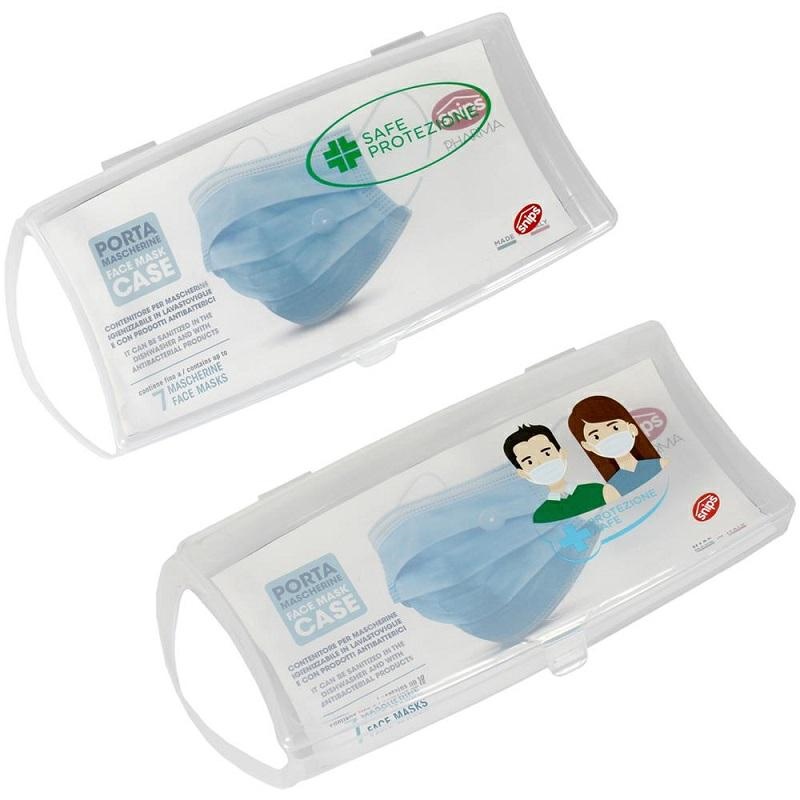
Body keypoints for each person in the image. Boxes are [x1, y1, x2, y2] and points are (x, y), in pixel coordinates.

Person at [503, 424, 620, 523]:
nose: (542, 463)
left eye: (547, 453)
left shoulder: (598, 491)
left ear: (562, 454)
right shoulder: (542, 515)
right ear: (523, 473)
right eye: (530, 462)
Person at [568, 396, 668, 496]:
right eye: (596, 436)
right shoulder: (611, 490)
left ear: (632, 428)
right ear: (587, 446)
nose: (609, 437)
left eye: (615, 428)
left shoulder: (660, 465)